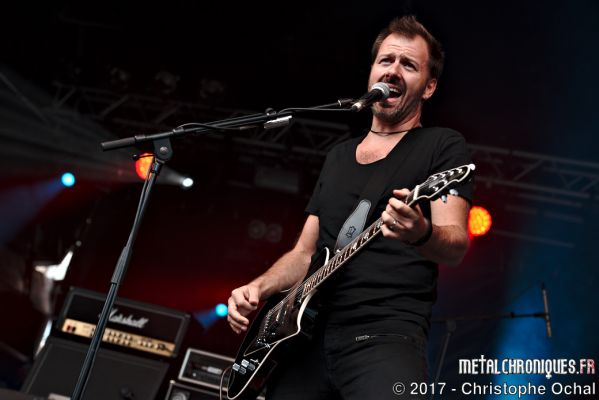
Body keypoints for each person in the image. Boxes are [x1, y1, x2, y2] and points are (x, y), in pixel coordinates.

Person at [227, 15, 472, 400]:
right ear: (372, 71)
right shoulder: (338, 156)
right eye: (386, 60)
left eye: (409, 65)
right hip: (305, 338)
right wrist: (259, 287)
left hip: (384, 338)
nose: (393, 71)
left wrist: (420, 232)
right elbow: (304, 253)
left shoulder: (443, 146)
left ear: (429, 87)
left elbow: (455, 245)